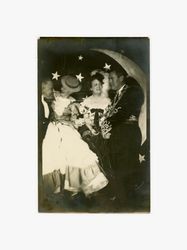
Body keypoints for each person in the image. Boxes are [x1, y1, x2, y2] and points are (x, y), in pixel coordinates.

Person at [42, 75, 108, 200]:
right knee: (53, 153)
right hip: (53, 129)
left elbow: (74, 120)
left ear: (69, 90)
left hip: (68, 129)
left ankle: (79, 186)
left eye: (64, 88)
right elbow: (49, 111)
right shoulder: (54, 96)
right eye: (62, 87)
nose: (62, 89)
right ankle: (59, 187)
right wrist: (58, 119)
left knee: (78, 149)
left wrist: (72, 122)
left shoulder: (73, 102)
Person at [107, 69, 144, 207]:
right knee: (117, 165)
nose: (110, 81)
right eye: (109, 79)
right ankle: (121, 198)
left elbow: (122, 113)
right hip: (118, 134)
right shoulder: (116, 95)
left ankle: (128, 202)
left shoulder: (132, 91)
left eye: (112, 78)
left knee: (127, 167)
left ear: (121, 77)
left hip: (128, 133)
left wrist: (106, 122)